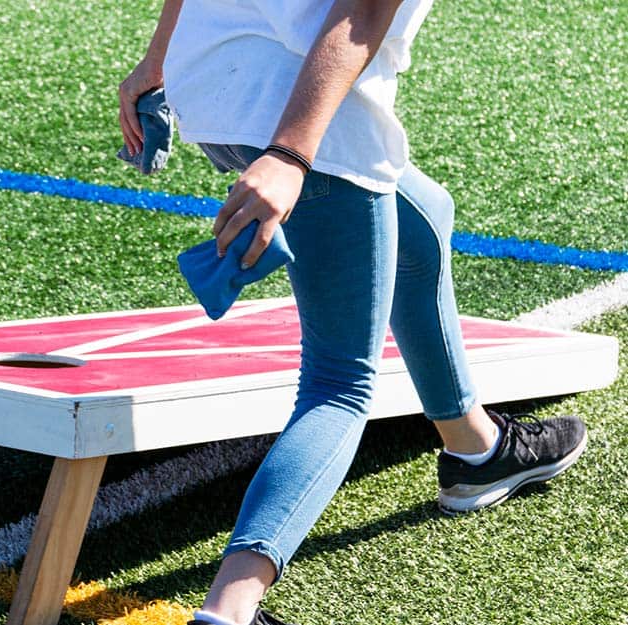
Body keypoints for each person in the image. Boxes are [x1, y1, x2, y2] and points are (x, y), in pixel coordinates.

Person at [118, 2, 588, 624]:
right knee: (339, 385)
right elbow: (362, 11)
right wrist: (289, 155)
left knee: (426, 215)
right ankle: (230, 609)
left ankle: (475, 448)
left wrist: (159, 58)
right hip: (302, 113)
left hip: (213, 80)